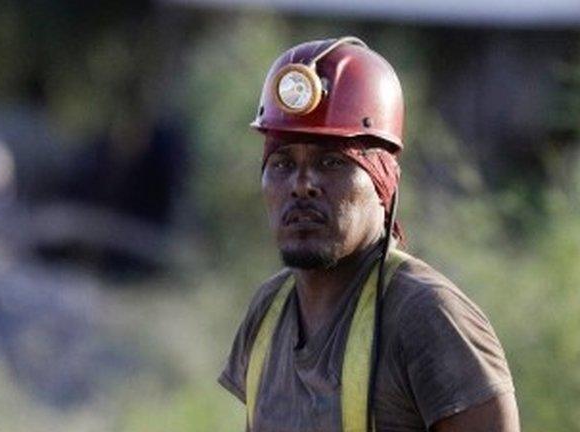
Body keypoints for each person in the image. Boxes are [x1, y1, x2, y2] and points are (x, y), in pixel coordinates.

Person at [218, 37, 519, 431]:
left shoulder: (427, 317)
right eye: (282, 163)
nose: (302, 184)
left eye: (331, 161)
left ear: (383, 182)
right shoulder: (268, 313)